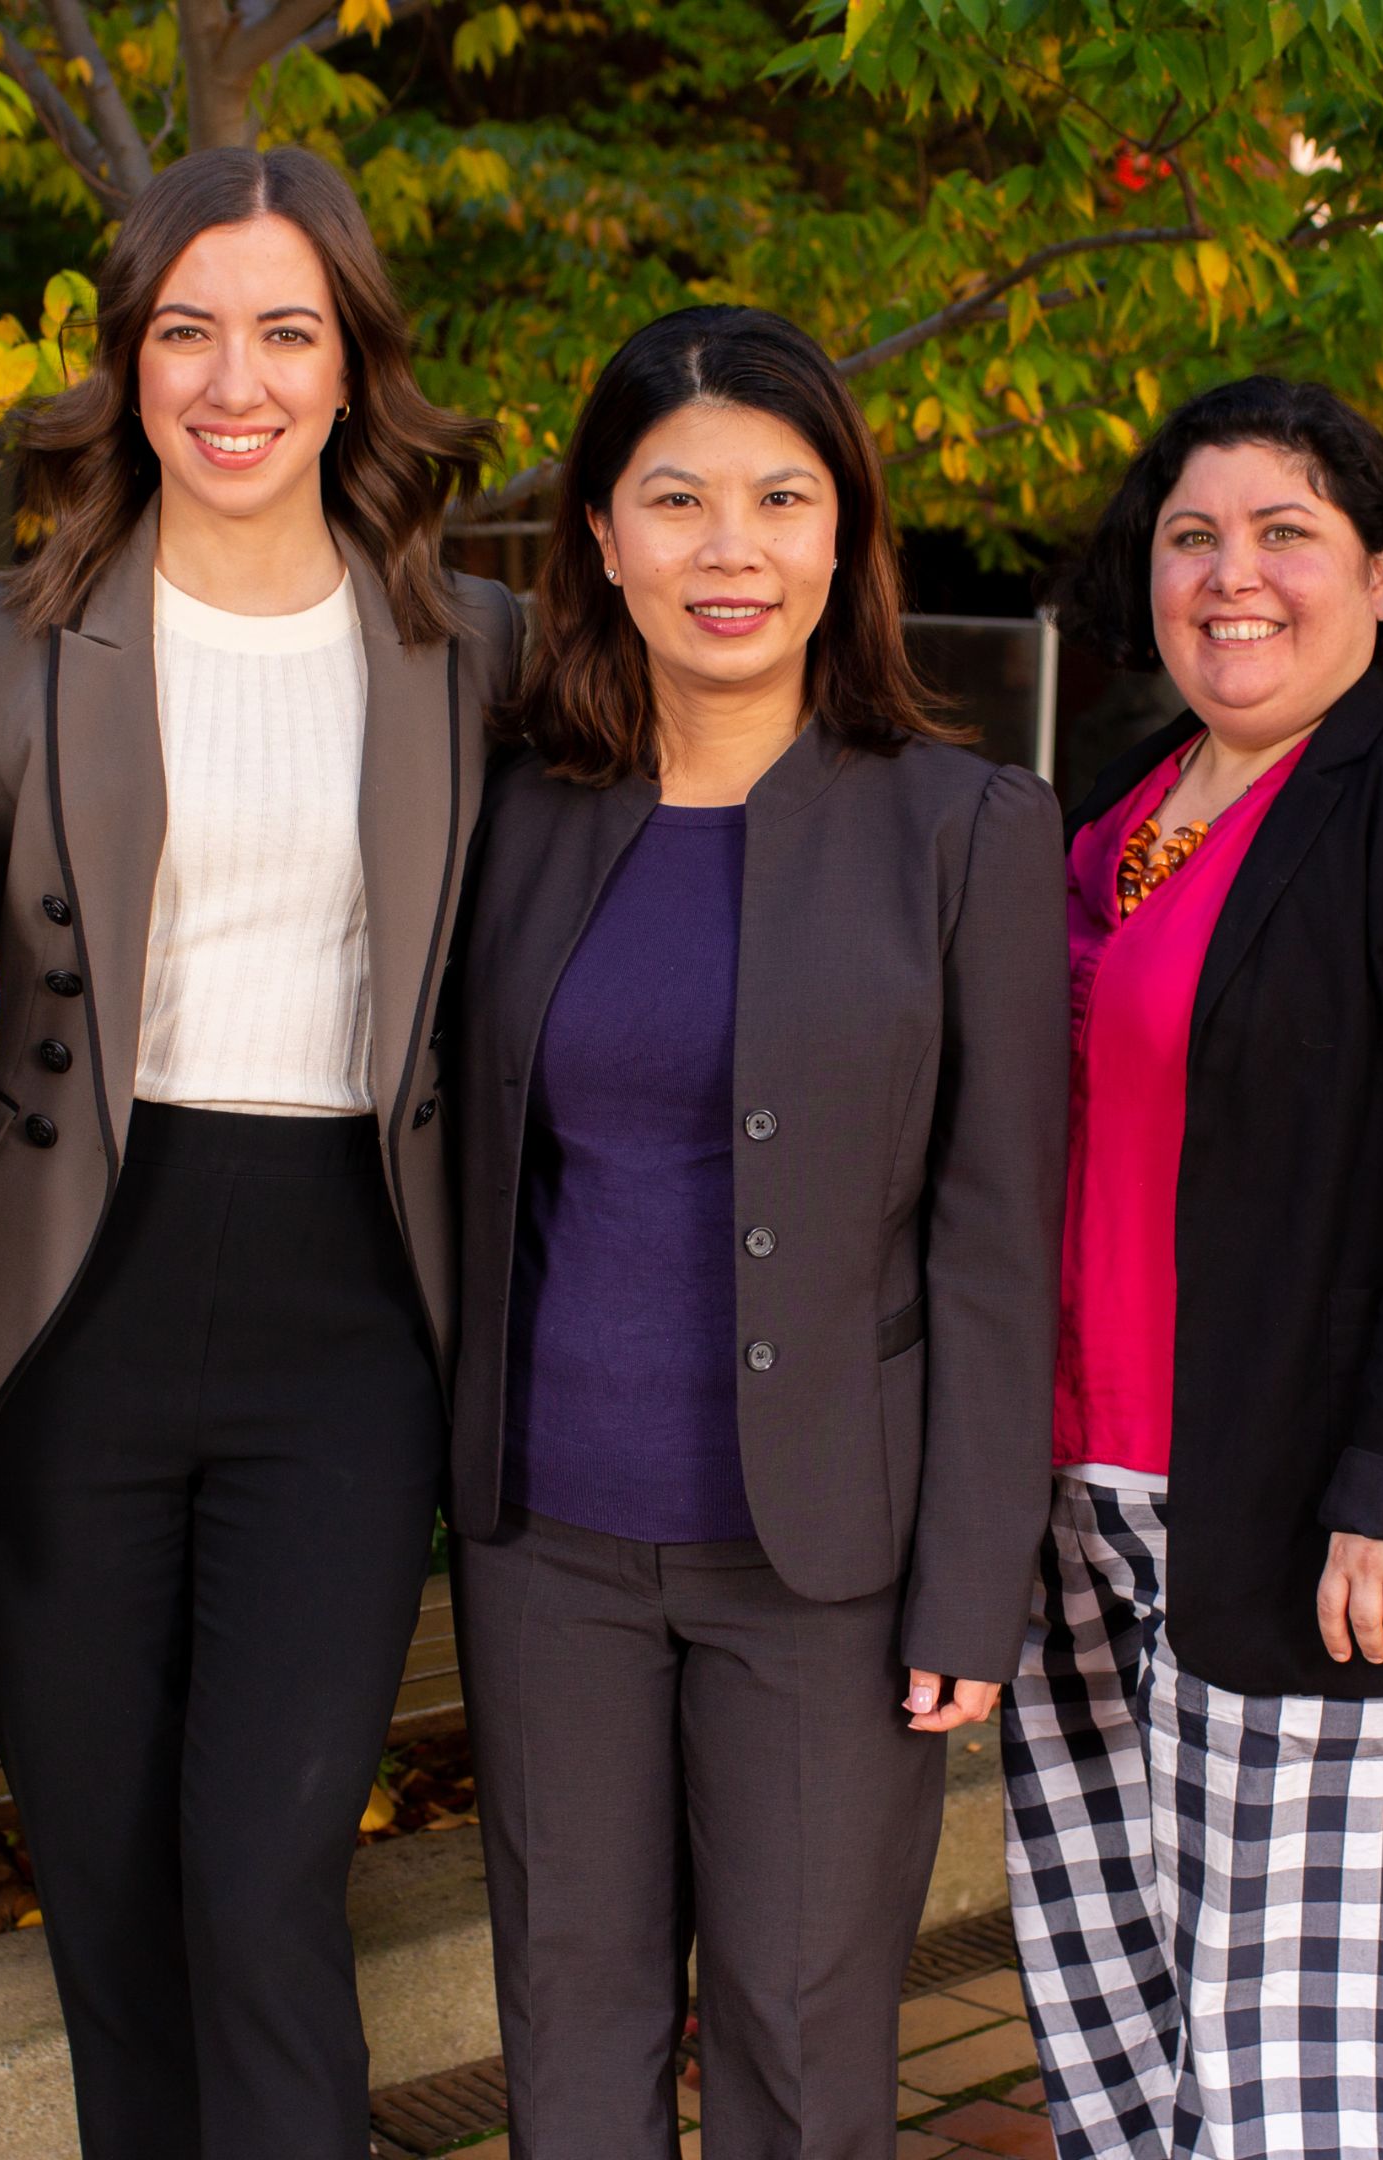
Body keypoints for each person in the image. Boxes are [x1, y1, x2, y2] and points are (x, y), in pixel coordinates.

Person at [0, 145, 518, 2159]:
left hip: (348, 1320)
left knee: (264, 1886)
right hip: (73, 1310)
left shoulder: (477, 652)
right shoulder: (5, 645)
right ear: (129, 359)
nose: (234, 377)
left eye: (285, 329)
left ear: (355, 365)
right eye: (188, 329)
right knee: (105, 1899)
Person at [445, 303, 1065, 2159]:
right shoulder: (518, 813)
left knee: (805, 2049)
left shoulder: (966, 826)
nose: (733, 550)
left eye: (782, 499)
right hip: (546, 1543)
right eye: (679, 499)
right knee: (570, 2026)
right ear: (603, 540)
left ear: (846, 538)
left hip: (826, 1568)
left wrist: (971, 1580)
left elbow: (994, 1237)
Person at [1007, 375, 1383, 2160]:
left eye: (1285, 533)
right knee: (1119, 2015)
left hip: (1324, 1515)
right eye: (1194, 536)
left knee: (1308, 2061)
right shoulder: (1116, 807)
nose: (1232, 576)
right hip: (1080, 1498)